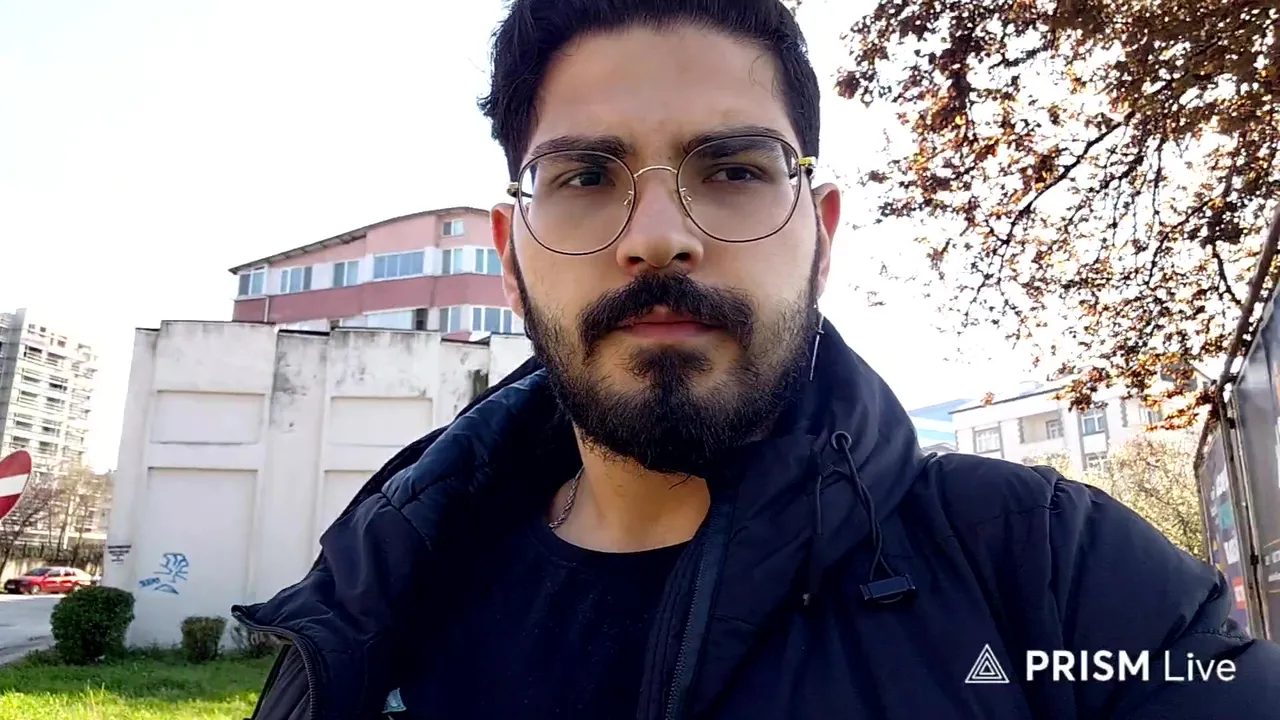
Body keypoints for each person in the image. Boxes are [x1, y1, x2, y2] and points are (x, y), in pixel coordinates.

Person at [236, 0, 1280, 717]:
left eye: (732, 168)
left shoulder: (1052, 574)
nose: (657, 238)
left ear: (820, 236)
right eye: (585, 176)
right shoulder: (377, 602)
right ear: (512, 258)